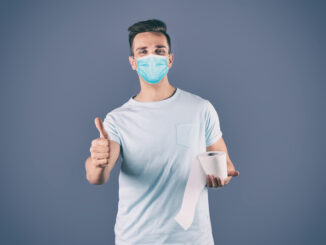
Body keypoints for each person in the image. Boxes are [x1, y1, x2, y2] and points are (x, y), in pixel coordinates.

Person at [85, 19, 239, 245]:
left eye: (159, 51)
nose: (152, 57)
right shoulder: (118, 120)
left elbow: (225, 165)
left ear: (170, 59)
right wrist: (97, 162)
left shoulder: (200, 108)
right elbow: (97, 176)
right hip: (136, 239)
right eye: (143, 52)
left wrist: (222, 177)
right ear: (133, 62)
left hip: (193, 239)